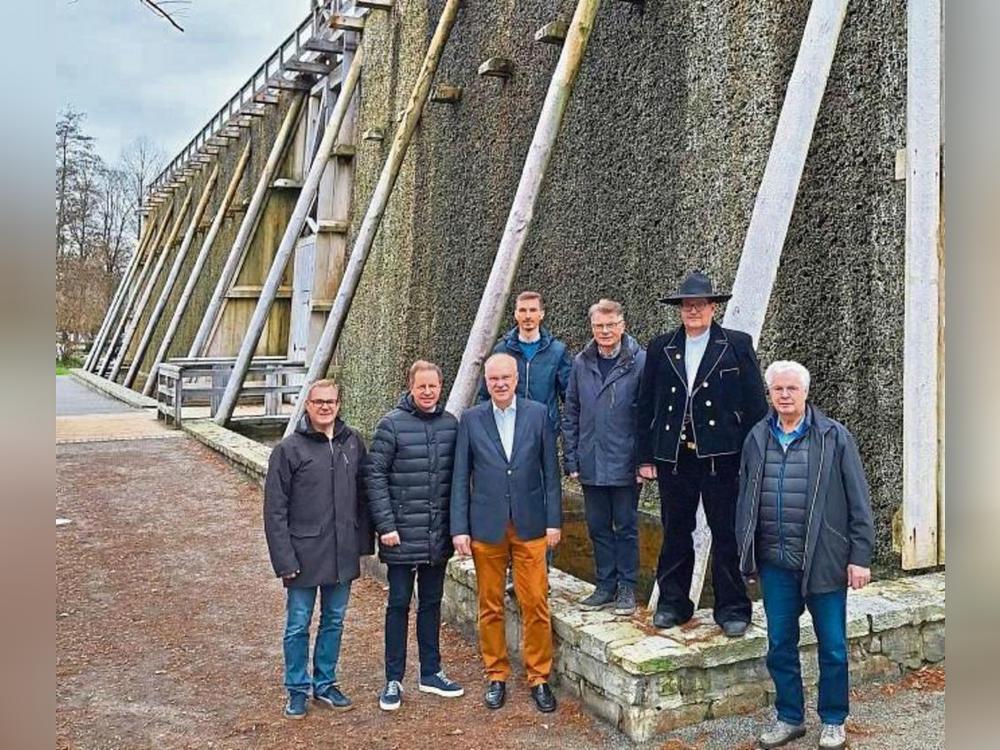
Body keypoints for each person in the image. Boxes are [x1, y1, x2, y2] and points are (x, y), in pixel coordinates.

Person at [736, 360, 874, 750]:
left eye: (791, 389)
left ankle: (833, 720)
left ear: (806, 393)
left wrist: (859, 556)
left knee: (833, 646)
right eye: (777, 390)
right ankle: (789, 717)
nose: (784, 396)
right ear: (770, 394)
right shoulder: (757, 437)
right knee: (780, 644)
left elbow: (858, 503)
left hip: (824, 561)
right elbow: (745, 498)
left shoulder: (834, 437)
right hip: (776, 564)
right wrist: (746, 550)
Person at [636, 271, 768, 636]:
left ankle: (732, 608)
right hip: (674, 457)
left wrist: (753, 455)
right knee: (676, 529)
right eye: (687, 305)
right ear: (680, 309)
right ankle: (673, 603)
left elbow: (755, 405)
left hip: (722, 457)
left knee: (726, 532)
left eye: (700, 304)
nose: (693, 311)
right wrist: (644, 457)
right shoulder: (661, 347)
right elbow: (646, 405)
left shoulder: (736, 344)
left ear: (713, 307)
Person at [451, 353, 562, 713]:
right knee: (490, 605)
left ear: (516, 379)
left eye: (506, 377)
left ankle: (539, 677)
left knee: (536, 604)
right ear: (486, 381)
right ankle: (496, 674)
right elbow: (459, 478)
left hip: (530, 524)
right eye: (494, 378)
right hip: (487, 525)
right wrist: (460, 529)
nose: (500, 383)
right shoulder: (471, 419)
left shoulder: (537, 413)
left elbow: (551, 472)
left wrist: (554, 522)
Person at [263, 379, 373, 720]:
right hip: (303, 553)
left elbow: (364, 496)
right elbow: (275, 510)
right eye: (319, 402)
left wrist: (362, 545)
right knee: (298, 624)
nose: (325, 407)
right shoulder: (289, 450)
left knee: (334, 621)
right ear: (307, 405)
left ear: (339, 405)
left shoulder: (352, 442)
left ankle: (325, 682)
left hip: (342, 549)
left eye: (331, 401)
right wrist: (284, 559)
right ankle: (297, 687)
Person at [364, 360, 464, 711]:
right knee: (398, 604)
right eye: (421, 386)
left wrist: (457, 529)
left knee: (432, 604)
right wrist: (386, 526)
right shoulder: (390, 425)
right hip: (401, 536)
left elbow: (459, 481)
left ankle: (431, 672)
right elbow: (373, 478)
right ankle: (393, 679)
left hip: (437, 537)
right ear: (410, 386)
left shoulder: (452, 425)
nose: (427, 392)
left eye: (432, 387)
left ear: (441, 387)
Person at [562, 299, 646, 616]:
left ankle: (627, 587)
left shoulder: (640, 362)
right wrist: (571, 459)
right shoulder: (581, 363)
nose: (605, 331)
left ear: (622, 325)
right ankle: (605, 585)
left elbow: (647, 415)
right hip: (591, 460)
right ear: (592, 327)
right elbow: (571, 412)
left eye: (611, 325)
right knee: (597, 526)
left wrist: (643, 461)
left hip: (626, 462)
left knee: (625, 525)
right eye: (599, 326)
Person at [479, 290, 572, 435]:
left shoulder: (557, 351)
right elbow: (485, 394)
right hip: (508, 430)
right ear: (516, 314)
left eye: (533, 310)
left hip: (545, 431)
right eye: (523, 310)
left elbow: (569, 396)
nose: (528, 316)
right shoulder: (501, 350)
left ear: (541, 314)